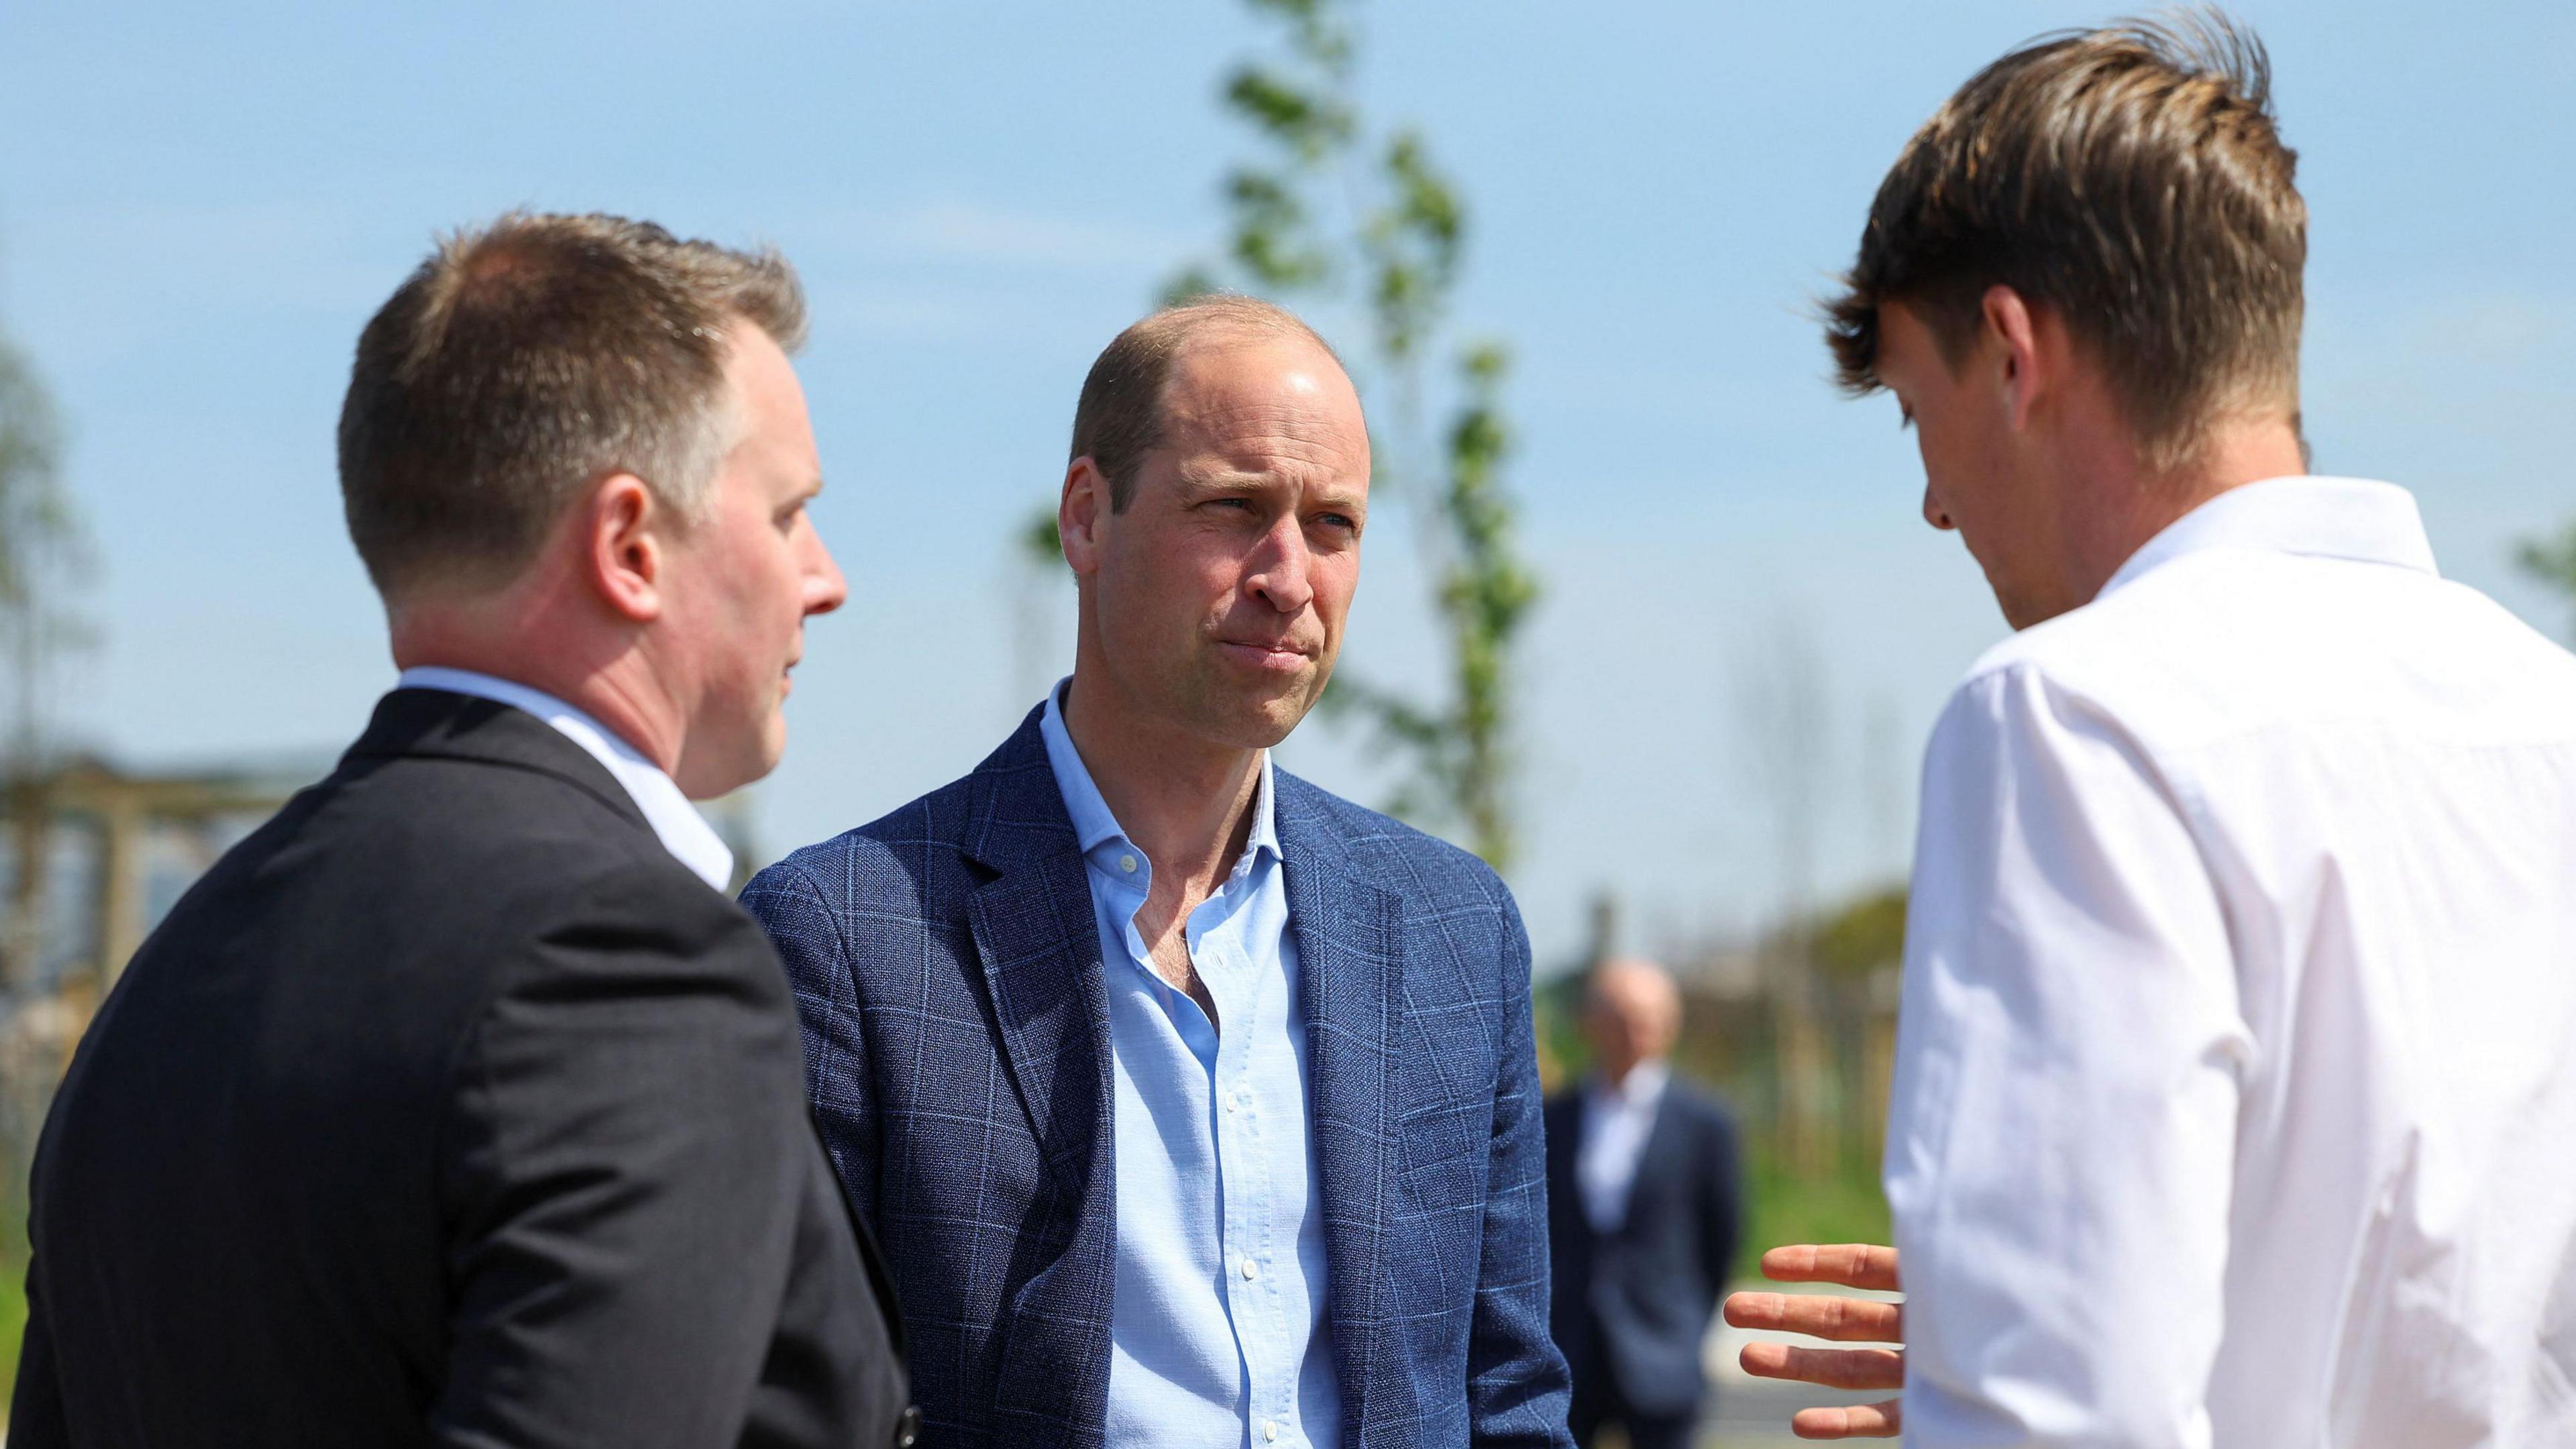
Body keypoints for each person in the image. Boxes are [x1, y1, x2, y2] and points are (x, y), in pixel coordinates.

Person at [1725, 14, 2576, 1446]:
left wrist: (2005, 1362)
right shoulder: (2544, 713)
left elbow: (2067, 1413)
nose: (1934, 503)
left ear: (2012, 352)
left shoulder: (2073, 718)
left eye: (1916, 420)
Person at [9, 213, 914, 1448]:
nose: (828, 576)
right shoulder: (625, 964)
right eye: (788, 513)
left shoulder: (173, 976)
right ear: (631, 546)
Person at [741, 295, 1574, 1449]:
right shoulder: (848, 936)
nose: (1291, 577)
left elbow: (1508, 1402)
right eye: (1234, 508)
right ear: (1087, 517)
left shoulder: (1452, 931)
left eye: (1333, 525)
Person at [1544, 958, 1741, 1449]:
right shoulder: (1554, 1117)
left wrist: (1688, 1319)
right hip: (1570, 1348)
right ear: (1591, 1022)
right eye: (1623, 1015)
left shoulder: (1705, 1122)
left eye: (1650, 1017)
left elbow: (1722, 1235)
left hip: (1661, 1348)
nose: (1638, 1030)